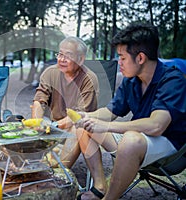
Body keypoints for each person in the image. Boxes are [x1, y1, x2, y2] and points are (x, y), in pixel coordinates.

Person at [76, 23, 186, 200]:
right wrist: (87, 116)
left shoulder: (172, 80)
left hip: (169, 147)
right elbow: (110, 111)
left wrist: (106, 126)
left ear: (140, 58)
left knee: (130, 139)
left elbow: (156, 125)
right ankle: (99, 186)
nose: (119, 63)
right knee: (86, 128)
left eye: (122, 57)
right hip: (139, 140)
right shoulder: (131, 81)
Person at [31, 36, 99, 168]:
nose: (61, 59)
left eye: (67, 56)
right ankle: (35, 165)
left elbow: (79, 116)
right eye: (60, 54)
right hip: (52, 126)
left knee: (79, 126)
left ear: (80, 59)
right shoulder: (50, 72)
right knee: (36, 117)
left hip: (75, 128)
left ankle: (59, 169)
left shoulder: (89, 79)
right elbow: (39, 100)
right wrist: (37, 123)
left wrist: (53, 126)